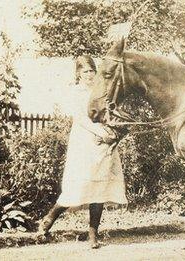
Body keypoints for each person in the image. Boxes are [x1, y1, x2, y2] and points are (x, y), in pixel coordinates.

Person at [38, 55, 127, 249]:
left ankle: (93, 234)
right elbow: (81, 118)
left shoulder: (101, 92)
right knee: (79, 186)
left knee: (100, 189)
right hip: (84, 142)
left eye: (92, 71)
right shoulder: (75, 92)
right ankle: (48, 220)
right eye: (85, 71)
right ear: (78, 73)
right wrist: (102, 132)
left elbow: (109, 113)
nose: (89, 75)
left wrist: (112, 132)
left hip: (104, 144)